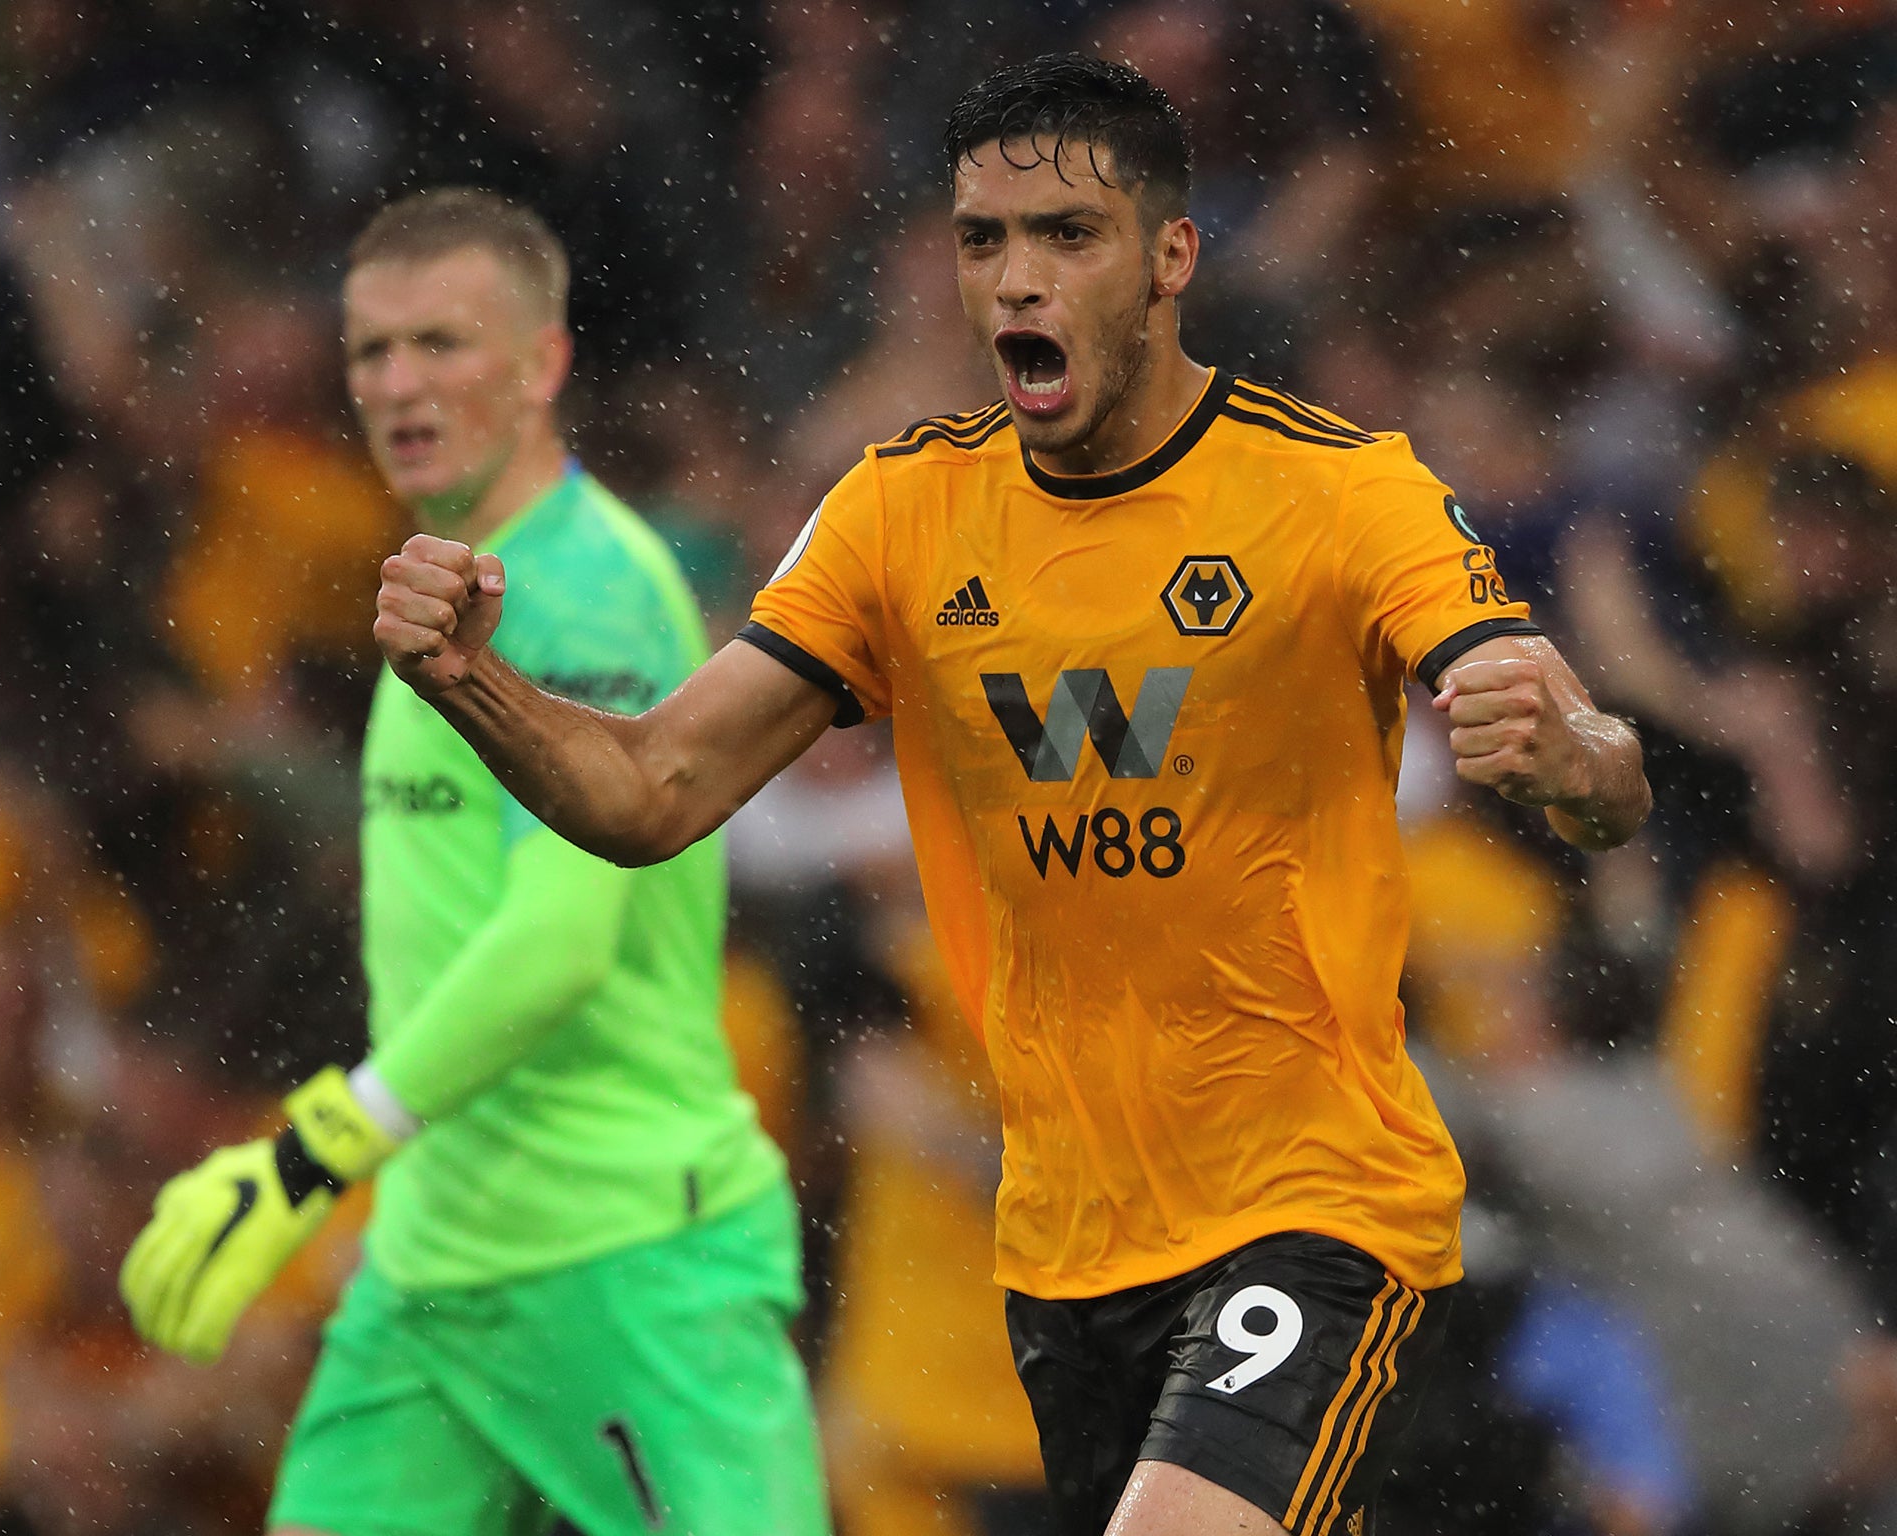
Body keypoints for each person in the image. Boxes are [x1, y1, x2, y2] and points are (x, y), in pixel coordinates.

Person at [374, 57, 1651, 1536]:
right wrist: (472, 678)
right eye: (985, 241)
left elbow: (1577, 741)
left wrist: (1582, 765)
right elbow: (653, 789)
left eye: (1067, 237)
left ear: (1171, 256)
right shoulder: (897, 515)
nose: (1017, 281)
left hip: (1311, 1200)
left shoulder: (1341, 491)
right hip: (1066, 1250)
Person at [119, 187, 830, 1536]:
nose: (399, 382)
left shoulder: (582, 592)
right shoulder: (446, 584)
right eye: (372, 351)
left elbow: (558, 943)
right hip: (436, 1273)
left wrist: (311, 1152)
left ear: (543, 364)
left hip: (628, 1261)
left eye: (442, 343)